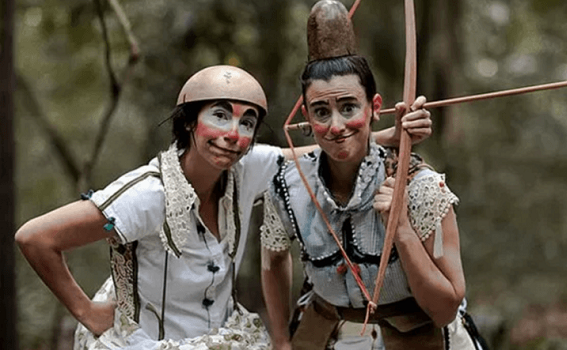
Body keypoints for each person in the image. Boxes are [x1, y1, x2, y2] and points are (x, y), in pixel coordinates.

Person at [15, 63, 432, 349]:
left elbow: (310, 152)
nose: (233, 134)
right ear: (189, 121)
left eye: (247, 122)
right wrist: (86, 312)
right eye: (220, 115)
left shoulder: (246, 169)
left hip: (224, 335)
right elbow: (36, 237)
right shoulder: (149, 195)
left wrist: (392, 135)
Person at [259, 2, 485, 349]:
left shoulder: (421, 187)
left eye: (348, 108)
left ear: (375, 108)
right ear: (305, 116)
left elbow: (444, 309)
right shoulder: (288, 187)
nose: (335, 127)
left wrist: (402, 229)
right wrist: (279, 337)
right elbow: (274, 259)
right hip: (325, 333)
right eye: (321, 112)